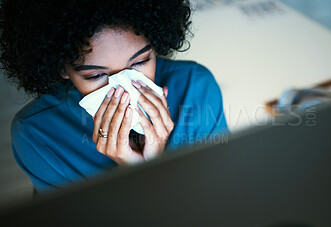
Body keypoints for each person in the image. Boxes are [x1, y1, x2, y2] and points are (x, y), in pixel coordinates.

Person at [0, 0, 229, 194]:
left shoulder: (195, 88)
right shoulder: (37, 132)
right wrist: (133, 174)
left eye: (140, 62)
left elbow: (221, 201)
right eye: (97, 75)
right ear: (62, 69)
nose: (125, 89)